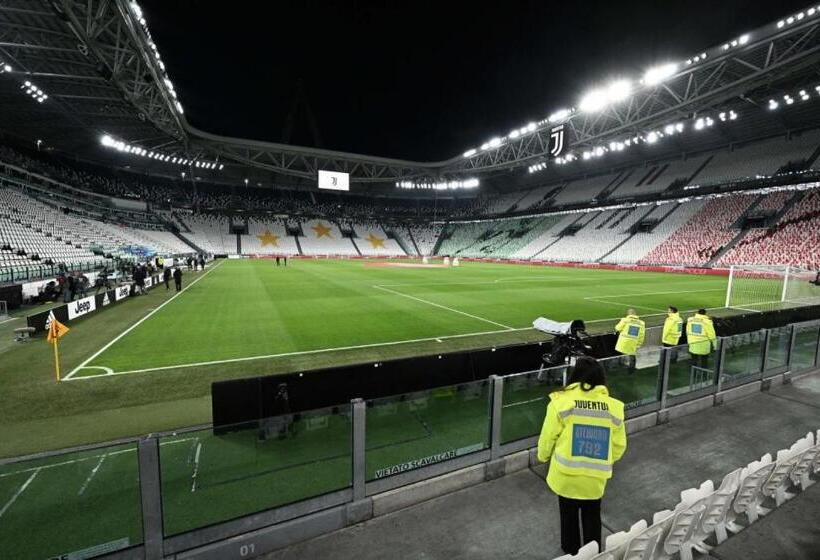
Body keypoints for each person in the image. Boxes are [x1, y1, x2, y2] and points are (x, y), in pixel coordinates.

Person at [537, 357, 627, 555]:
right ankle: (593, 554)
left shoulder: (560, 402)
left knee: (568, 517)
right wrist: (603, 459)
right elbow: (619, 445)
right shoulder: (613, 407)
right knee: (592, 516)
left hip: (566, 476)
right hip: (595, 479)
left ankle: (571, 554)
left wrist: (542, 457)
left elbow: (548, 436)